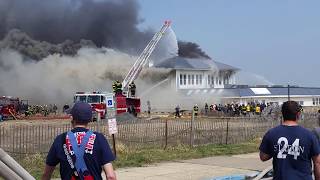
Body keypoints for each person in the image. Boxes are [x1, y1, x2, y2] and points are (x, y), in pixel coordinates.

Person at [42, 102, 116, 180]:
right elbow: (111, 176)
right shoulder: (99, 139)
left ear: (72, 118)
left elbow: (47, 174)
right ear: (90, 119)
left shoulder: (60, 139)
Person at [259, 101, 320, 180]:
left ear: (282, 114)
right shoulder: (309, 135)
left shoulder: (271, 133)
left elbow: (263, 157)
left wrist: (279, 149)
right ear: (298, 114)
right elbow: (317, 163)